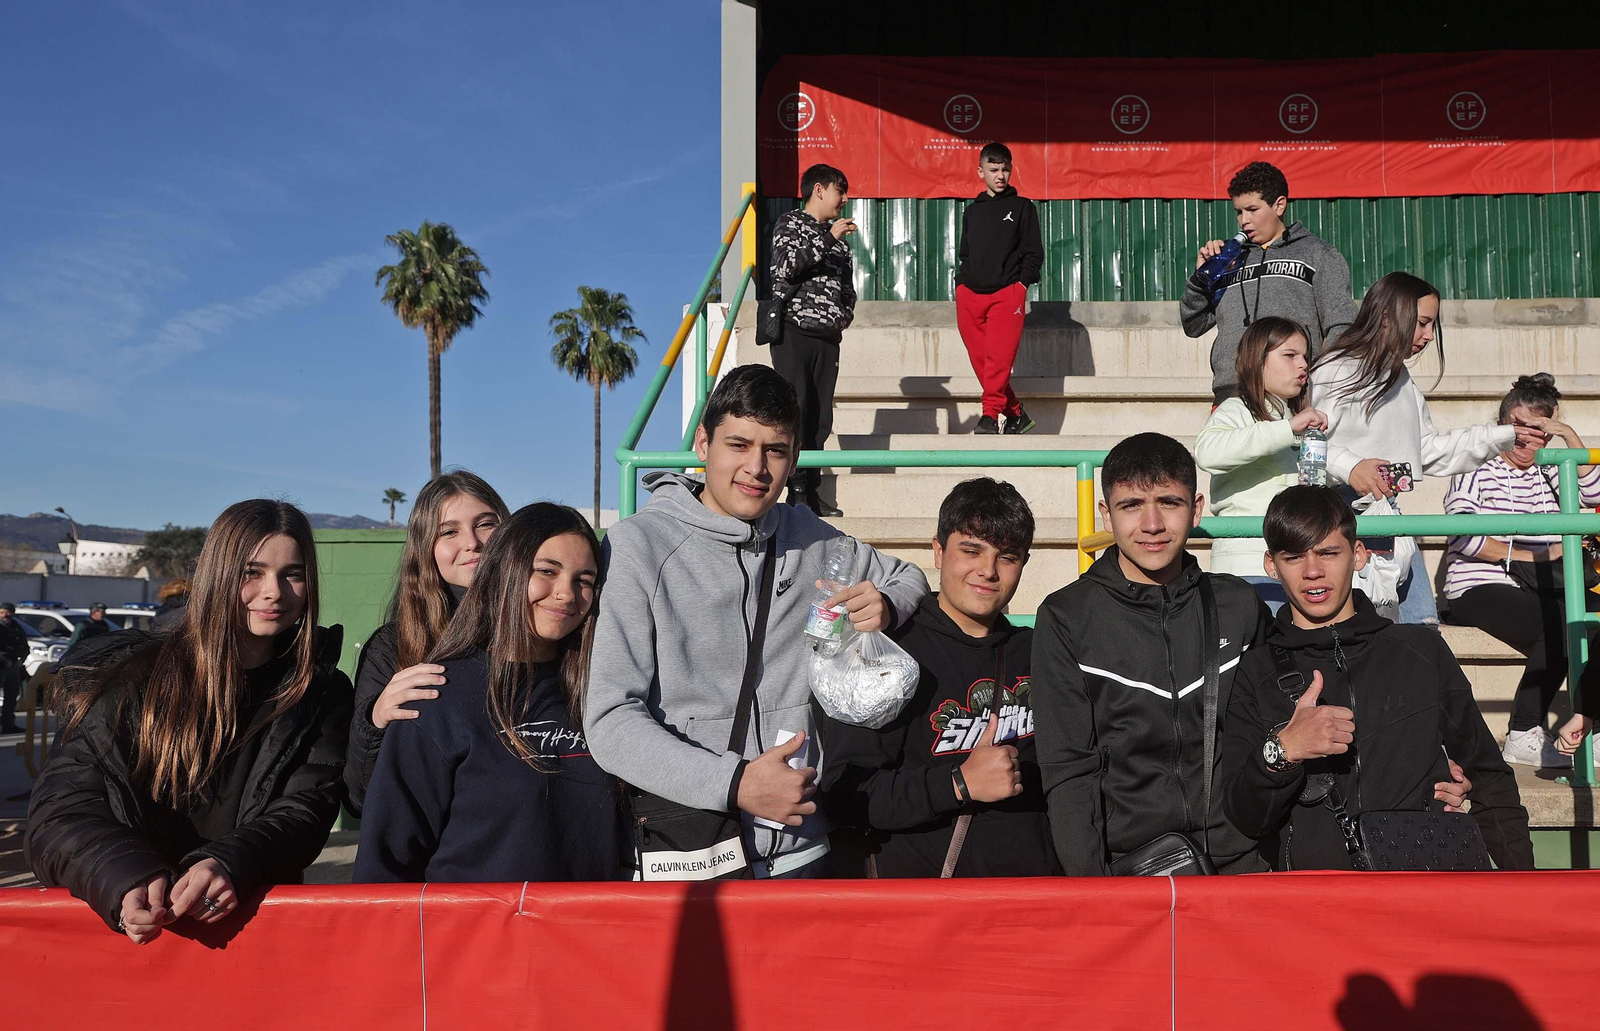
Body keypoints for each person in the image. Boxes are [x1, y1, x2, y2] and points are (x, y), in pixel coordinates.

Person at [585, 365, 928, 879]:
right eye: (739, 444)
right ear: (703, 443)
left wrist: (886, 605)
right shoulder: (640, 546)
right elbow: (611, 720)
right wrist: (736, 783)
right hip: (687, 855)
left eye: (775, 450)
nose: (756, 467)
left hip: (802, 848)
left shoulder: (812, 537)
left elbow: (909, 576)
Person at [25, 500, 353, 943]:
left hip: (253, 933)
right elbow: (60, 812)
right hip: (129, 938)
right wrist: (125, 875)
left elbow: (305, 810)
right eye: (250, 572)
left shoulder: (320, 690)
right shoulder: (130, 676)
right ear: (217, 573)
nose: (274, 591)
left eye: (292, 573)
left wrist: (231, 862)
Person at [1220, 486, 1534, 871]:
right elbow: (1246, 818)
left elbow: (1487, 776)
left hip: (1422, 893)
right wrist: (1281, 751)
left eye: (1328, 553)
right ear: (1271, 565)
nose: (1313, 571)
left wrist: (1523, 883)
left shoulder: (1421, 650)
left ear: (1359, 555)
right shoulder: (1254, 670)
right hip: (1316, 905)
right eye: (1294, 557)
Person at [1032, 432, 1274, 875]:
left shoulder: (1238, 605)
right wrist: (1094, 892)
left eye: (1168, 502)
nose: (1152, 524)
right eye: (1130, 506)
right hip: (1130, 870)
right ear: (1105, 514)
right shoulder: (1066, 617)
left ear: (1196, 508)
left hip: (1243, 864)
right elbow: (1068, 773)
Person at [355, 504, 627, 883]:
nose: (566, 594)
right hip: (472, 937)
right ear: (505, 572)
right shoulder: (437, 695)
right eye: (546, 571)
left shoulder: (603, 692)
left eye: (584, 579)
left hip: (586, 934)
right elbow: (386, 862)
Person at [820, 478, 1059, 877]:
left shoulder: (1044, 652)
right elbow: (846, 795)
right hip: (924, 912)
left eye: (1007, 557)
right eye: (971, 550)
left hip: (1031, 904)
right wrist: (958, 783)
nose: (987, 570)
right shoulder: (887, 652)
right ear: (938, 550)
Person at [1309, 271, 1542, 625]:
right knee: (1359, 634)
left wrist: (1504, 435)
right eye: (1421, 323)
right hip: (1335, 519)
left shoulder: (1401, 379)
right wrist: (1351, 467)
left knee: (1423, 629)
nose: (1428, 336)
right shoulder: (1333, 370)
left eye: (1432, 325)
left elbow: (1429, 450)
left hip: (1389, 515)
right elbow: (1307, 444)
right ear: (1388, 316)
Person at [1443, 374, 1600, 768]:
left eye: (1540, 429)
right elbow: (1462, 534)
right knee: (1561, 623)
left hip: (1545, 586)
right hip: (1481, 583)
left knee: (1592, 618)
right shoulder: (1476, 462)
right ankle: (1523, 731)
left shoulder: (1551, 467)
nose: (1528, 438)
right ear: (1500, 425)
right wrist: (1532, 558)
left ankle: (1591, 730)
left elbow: (1595, 497)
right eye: (1518, 426)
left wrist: (1569, 437)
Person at [344, 470, 509, 815]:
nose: (472, 543)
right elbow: (360, 799)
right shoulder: (393, 646)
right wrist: (374, 723)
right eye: (449, 531)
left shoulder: (544, 631)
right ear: (425, 548)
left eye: (485, 524)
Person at [1181, 161, 1361, 406]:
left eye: (1252, 209)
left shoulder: (1317, 255)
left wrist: (1319, 382)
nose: (1244, 220)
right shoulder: (1227, 259)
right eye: (1239, 211)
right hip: (1231, 392)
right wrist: (1200, 279)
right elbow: (1193, 324)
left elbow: (1342, 325)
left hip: (1294, 396)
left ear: (1279, 205)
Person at [1195, 316, 1327, 613]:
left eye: (1305, 356)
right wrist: (1287, 429)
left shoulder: (1294, 421)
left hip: (1293, 568)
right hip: (1243, 567)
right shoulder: (1236, 409)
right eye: (1290, 355)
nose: (1303, 364)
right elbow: (1207, 453)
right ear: (1257, 361)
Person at [769, 162, 857, 517]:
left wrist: (844, 314)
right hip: (794, 330)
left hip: (828, 337)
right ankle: (797, 489)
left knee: (821, 417)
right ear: (819, 190)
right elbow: (786, 267)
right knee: (798, 408)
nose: (845, 199)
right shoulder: (791, 224)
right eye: (840, 190)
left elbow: (847, 288)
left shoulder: (840, 243)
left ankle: (814, 489)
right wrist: (830, 237)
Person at [954, 142, 1043, 436]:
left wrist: (1020, 285)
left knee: (998, 361)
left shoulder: (1023, 207)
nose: (1000, 175)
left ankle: (990, 416)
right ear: (981, 172)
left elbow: (1033, 252)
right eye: (993, 169)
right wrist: (961, 285)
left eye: (1005, 169)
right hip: (969, 294)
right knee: (982, 362)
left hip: (1008, 294)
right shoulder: (972, 212)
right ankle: (1016, 413)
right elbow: (964, 253)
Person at [0, 602, 28, 734]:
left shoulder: (17, 628)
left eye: (8, 612)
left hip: (12, 668)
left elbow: (24, 647)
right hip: (2, 666)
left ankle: (8, 725)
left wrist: (20, 660)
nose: (5, 615)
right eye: (2, 612)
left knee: (11, 697)